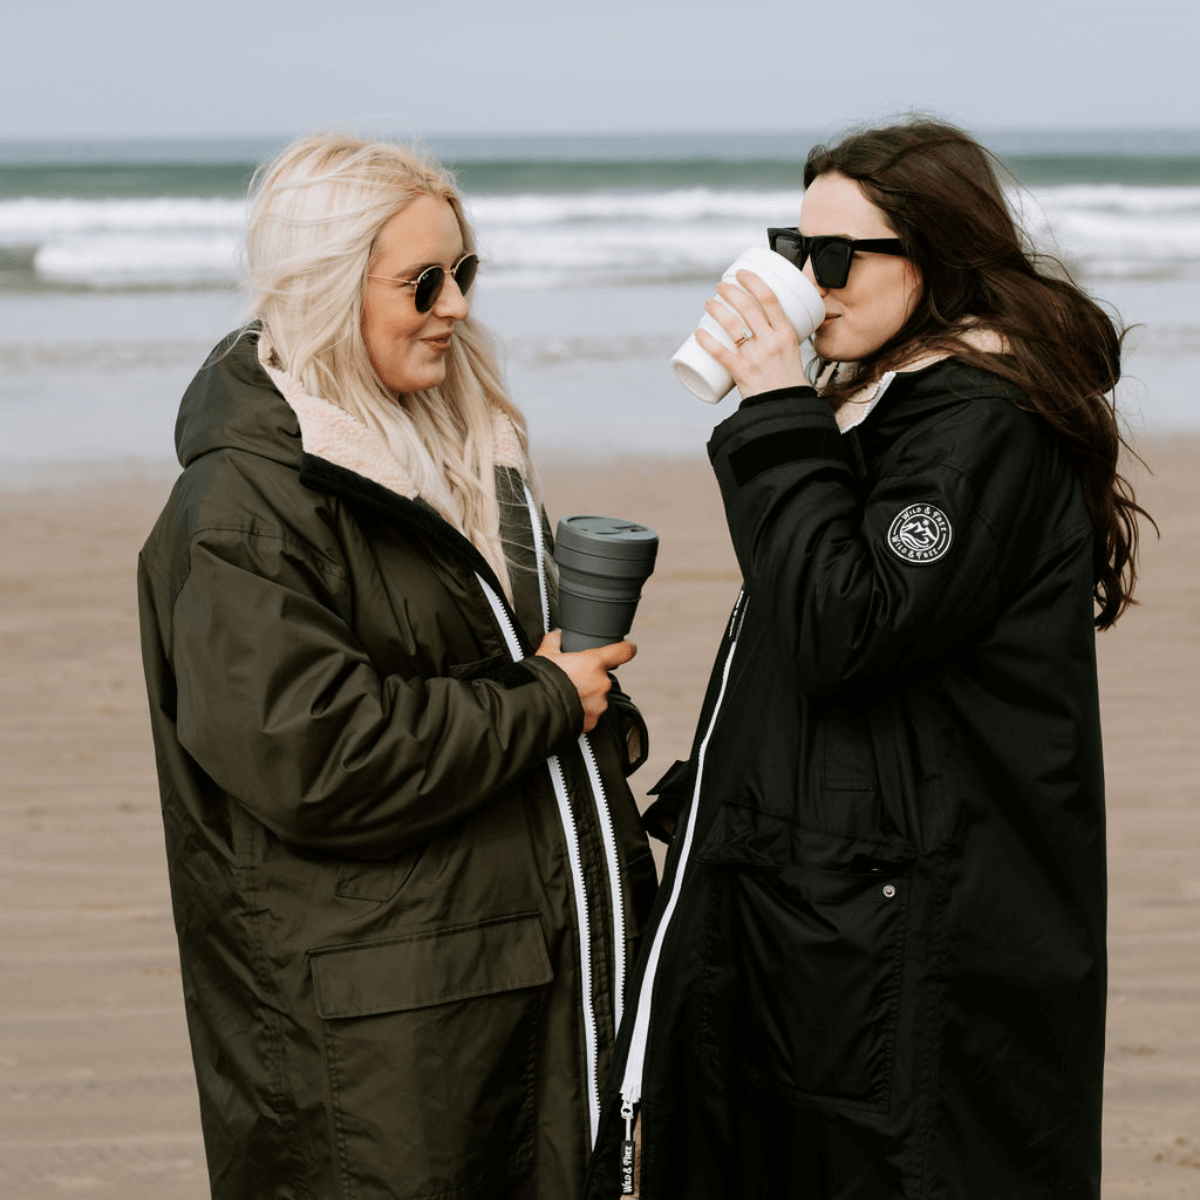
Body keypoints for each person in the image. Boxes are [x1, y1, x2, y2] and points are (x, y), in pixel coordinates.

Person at [584, 119, 1150, 1199]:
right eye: (797, 249)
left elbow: (848, 624)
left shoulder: (978, 424)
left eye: (839, 257)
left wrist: (774, 403)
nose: (812, 281)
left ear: (934, 257)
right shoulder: (889, 406)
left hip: (897, 940)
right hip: (845, 925)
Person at [137, 133, 658, 1200]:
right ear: (327, 286)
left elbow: (514, 686)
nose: (456, 306)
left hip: (511, 997)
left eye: (465, 273)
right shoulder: (242, 509)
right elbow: (317, 757)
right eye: (423, 280)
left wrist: (588, 706)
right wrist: (549, 699)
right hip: (389, 1046)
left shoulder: (462, 460)